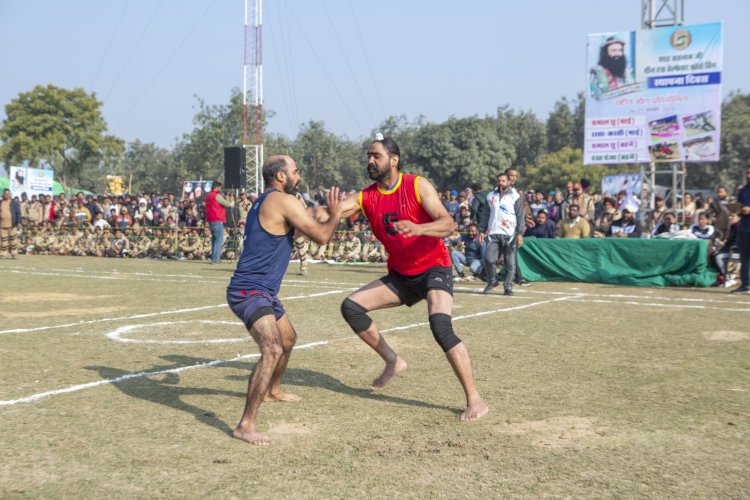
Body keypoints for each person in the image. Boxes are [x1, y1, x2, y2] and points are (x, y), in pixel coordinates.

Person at [336, 136, 488, 422]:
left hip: (434, 269)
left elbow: (448, 223)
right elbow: (332, 211)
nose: (370, 160)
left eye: (376, 156)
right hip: (402, 276)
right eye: (368, 156)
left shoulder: (417, 185)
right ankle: (393, 360)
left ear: (393, 160)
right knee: (351, 307)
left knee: (440, 326)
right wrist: (304, 212)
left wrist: (419, 229)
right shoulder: (365, 196)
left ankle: (475, 399)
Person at [227, 155, 344, 445]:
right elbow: (322, 237)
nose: (299, 176)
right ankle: (246, 424)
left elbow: (306, 220)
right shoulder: (283, 200)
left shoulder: (264, 200)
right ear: (281, 176)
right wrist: (337, 213)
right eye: (295, 171)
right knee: (272, 347)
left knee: (288, 339)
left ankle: (272, 389)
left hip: (264, 291)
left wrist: (323, 210)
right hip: (248, 290)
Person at [483, 172, 525, 295]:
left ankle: (508, 286)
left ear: (509, 182)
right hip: (493, 233)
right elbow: (485, 215)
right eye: (499, 181)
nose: (501, 183)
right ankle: (492, 281)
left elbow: (520, 215)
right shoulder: (490, 195)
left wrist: (520, 233)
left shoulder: (515, 196)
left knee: (510, 263)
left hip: (510, 234)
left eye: (503, 181)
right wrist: (481, 230)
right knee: (489, 259)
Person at [731, 165, 750, 294]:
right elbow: (738, 207)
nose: (748, 176)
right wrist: (735, 212)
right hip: (744, 228)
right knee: (744, 258)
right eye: (747, 173)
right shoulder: (742, 191)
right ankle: (745, 284)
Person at [206, 182, 234, 264]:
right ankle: (215, 260)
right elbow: (228, 205)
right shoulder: (216, 196)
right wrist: (231, 200)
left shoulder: (208, 195)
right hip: (217, 219)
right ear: (217, 187)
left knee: (214, 239)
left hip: (210, 219)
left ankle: (214, 258)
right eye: (220, 187)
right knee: (219, 240)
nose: (220, 189)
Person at [0, 189, 22, 259]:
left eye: (8, 193)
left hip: (12, 225)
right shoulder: (0, 202)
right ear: (3, 194)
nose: (7, 195)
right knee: (4, 241)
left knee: (13, 241)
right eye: (5, 193)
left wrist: (19, 222)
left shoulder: (14, 203)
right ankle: (3, 254)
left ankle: (14, 254)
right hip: (2, 225)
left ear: (10, 194)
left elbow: (18, 213)